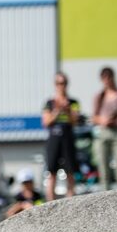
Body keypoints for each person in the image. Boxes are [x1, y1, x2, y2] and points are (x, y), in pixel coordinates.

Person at [41, 72, 80, 201]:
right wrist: (57, 111)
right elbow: (46, 122)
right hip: (54, 138)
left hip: (67, 137)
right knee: (51, 172)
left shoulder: (73, 102)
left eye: (63, 83)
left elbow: (75, 121)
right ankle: (50, 202)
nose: (61, 86)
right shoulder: (49, 103)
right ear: (55, 85)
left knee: (70, 172)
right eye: (58, 83)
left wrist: (67, 110)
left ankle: (71, 201)